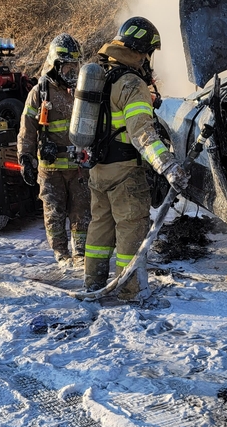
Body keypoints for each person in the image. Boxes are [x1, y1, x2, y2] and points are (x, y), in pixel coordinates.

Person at [83, 17, 189, 301]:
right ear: (142, 49)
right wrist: (167, 166)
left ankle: (93, 283)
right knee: (131, 232)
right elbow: (142, 133)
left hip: (98, 168)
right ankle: (130, 292)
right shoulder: (131, 83)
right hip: (125, 173)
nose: (149, 59)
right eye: (149, 52)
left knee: (100, 229)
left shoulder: (102, 75)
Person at [17, 33, 91, 265]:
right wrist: (25, 158)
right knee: (54, 213)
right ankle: (61, 254)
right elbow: (27, 129)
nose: (73, 73)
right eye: (68, 68)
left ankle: (80, 253)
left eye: (75, 67)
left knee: (82, 213)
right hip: (50, 169)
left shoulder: (82, 91)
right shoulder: (40, 93)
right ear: (56, 66)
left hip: (78, 167)